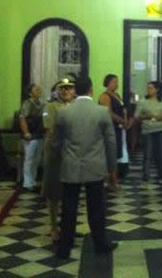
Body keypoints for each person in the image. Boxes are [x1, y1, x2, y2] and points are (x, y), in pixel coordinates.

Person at [53, 76, 117, 259]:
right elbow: (111, 142)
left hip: (70, 165)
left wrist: (61, 159)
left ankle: (64, 248)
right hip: (95, 166)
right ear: (91, 89)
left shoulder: (64, 112)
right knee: (96, 208)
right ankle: (101, 244)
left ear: (75, 90)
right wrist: (112, 169)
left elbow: (55, 142)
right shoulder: (101, 112)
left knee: (68, 209)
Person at [41, 78, 75, 243]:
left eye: (69, 88)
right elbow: (50, 130)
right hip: (55, 155)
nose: (66, 91)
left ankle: (68, 227)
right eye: (62, 88)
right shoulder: (50, 107)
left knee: (70, 194)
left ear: (74, 91)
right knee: (54, 194)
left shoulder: (76, 106)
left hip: (72, 155)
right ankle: (54, 227)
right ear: (57, 91)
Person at [135, 81, 162, 182]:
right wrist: (146, 116)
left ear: (157, 89)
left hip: (161, 129)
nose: (149, 90)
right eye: (148, 88)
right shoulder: (143, 101)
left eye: (151, 88)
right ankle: (146, 175)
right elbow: (136, 116)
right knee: (148, 154)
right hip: (148, 130)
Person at [99, 74, 129, 182]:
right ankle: (111, 179)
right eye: (114, 82)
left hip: (120, 128)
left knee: (118, 153)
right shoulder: (105, 96)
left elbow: (123, 110)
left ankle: (116, 176)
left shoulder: (117, 95)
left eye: (117, 82)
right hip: (111, 128)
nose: (117, 84)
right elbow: (109, 113)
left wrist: (125, 120)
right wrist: (122, 121)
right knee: (111, 153)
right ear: (108, 83)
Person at [19, 84, 45, 191]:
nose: (39, 90)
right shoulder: (27, 103)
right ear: (30, 93)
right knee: (29, 159)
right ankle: (27, 183)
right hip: (30, 135)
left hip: (39, 135)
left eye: (39, 89)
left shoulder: (41, 103)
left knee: (36, 160)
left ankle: (32, 181)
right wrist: (26, 132)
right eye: (36, 89)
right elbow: (22, 118)